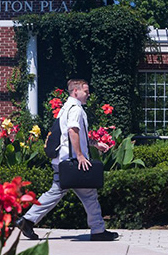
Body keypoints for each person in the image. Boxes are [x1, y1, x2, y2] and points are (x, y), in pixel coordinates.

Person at [16, 79, 118, 242]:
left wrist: (95, 144)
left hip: (63, 162)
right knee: (89, 195)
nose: (88, 94)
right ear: (76, 92)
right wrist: (80, 156)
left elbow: (72, 134)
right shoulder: (76, 109)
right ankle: (98, 231)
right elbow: (72, 131)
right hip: (73, 162)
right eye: (86, 91)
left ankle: (27, 220)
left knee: (56, 192)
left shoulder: (66, 108)